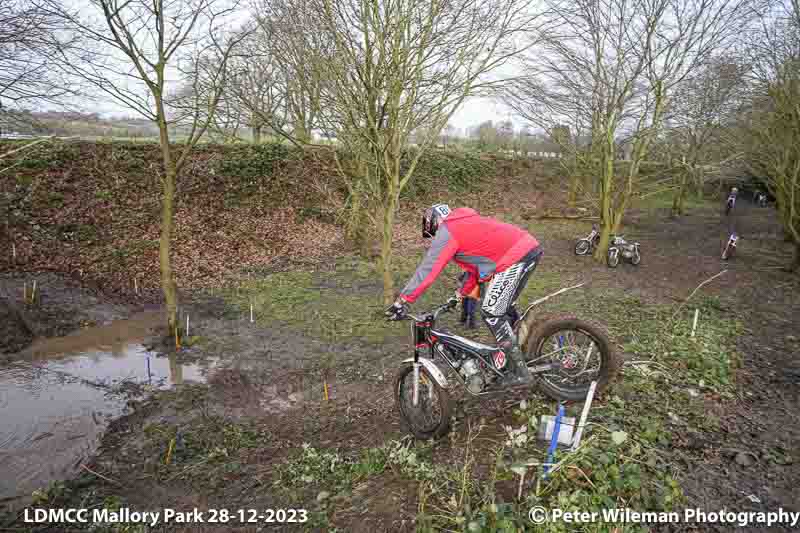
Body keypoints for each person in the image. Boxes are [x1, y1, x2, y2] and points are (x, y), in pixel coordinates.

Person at [384, 204, 543, 386]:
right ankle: (517, 354)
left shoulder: (449, 231)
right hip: (526, 249)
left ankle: (521, 373)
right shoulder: (465, 225)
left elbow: (428, 269)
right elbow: (477, 271)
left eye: (433, 233)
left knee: (492, 312)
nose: (435, 239)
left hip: (516, 257)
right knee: (501, 309)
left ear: (433, 222)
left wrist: (402, 301)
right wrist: (459, 295)